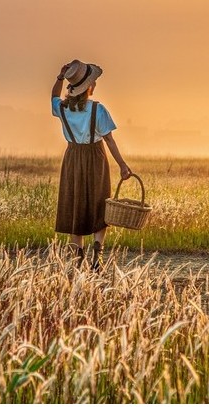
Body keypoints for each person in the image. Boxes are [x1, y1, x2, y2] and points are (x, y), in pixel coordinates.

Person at [51, 60, 132, 271]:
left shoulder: (62, 108)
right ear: (89, 86)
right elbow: (110, 141)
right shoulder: (98, 109)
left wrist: (60, 77)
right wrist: (122, 165)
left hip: (72, 157)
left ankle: (77, 258)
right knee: (99, 203)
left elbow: (53, 97)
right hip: (96, 157)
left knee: (75, 202)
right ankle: (97, 255)